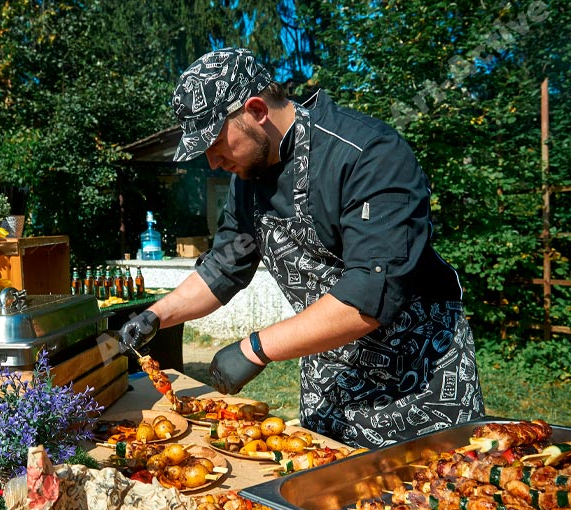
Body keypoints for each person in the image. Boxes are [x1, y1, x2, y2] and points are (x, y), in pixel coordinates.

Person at [119, 47, 485, 448]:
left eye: (216, 143)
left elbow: (371, 293)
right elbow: (224, 267)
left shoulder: (368, 154)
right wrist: (155, 315)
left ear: (256, 110)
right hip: (331, 379)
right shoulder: (248, 183)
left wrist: (255, 348)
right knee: (323, 503)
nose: (211, 162)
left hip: (421, 383)